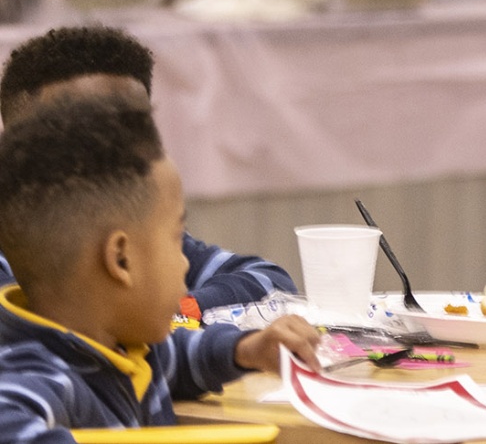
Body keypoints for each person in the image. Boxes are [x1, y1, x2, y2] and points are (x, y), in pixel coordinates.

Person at [0, 95, 321, 440]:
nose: (185, 261)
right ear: (121, 260)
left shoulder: (124, 347)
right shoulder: (39, 377)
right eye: (175, 238)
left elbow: (179, 356)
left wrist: (247, 349)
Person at [0, 25, 299, 316]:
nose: (118, 153)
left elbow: (269, 281)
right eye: (86, 136)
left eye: (135, 130)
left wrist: (179, 310)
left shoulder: (132, 228)